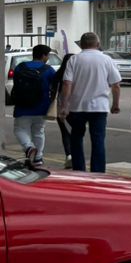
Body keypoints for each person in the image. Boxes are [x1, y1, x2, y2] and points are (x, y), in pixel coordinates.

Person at [61, 32, 122, 173]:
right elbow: (116, 85)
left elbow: (66, 84)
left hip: (77, 107)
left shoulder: (74, 60)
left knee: (76, 139)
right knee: (98, 140)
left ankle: (79, 170)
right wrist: (115, 104)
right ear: (98, 44)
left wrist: (64, 106)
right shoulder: (107, 60)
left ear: (81, 45)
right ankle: (98, 172)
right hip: (99, 108)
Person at [11, 44, 57, 167]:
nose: (47, 58)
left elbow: (16, 84)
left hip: (22, 106)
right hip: (42, 106)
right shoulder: (48, 69)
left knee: (20, 129)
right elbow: (55, 86)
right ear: (43, 55)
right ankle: (38, 158)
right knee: (39, 132)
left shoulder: (20, 67)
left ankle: (29, 147)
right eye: (47, 55)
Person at [52, 52, 73, 156]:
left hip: (60, 107)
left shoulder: (58, 73)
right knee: (76, 132)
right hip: (75, 107)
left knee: (65, 132)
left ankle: (69, 155)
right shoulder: (76, 73)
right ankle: (76, 154)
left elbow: (52, 90)